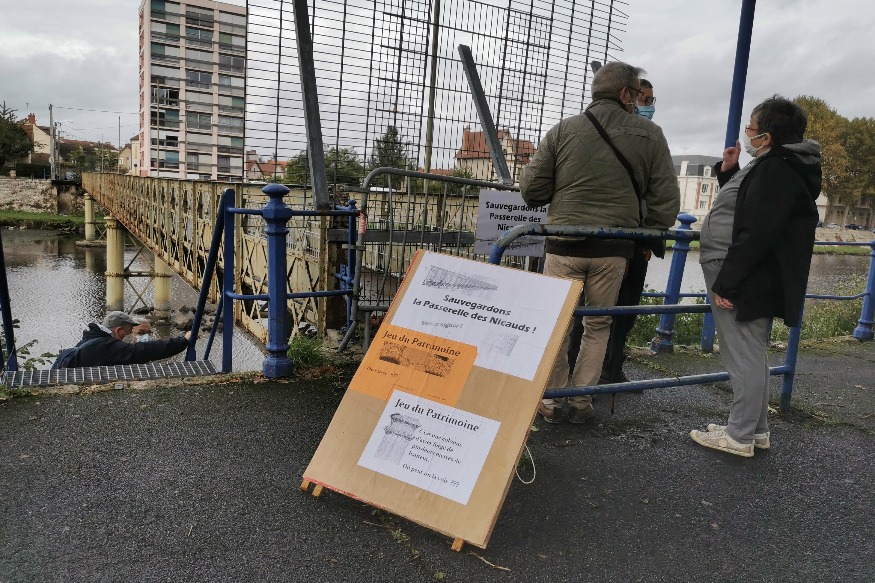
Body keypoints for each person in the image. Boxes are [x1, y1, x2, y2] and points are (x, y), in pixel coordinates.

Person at [520, 62, 680, 423]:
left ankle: (551, 402)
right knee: (598, 325)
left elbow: (532, 191)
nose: (639, 102)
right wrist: (646, 232)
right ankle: (581, 402)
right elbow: (666, 200)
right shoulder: (650, 135)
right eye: (637, 95)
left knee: (557, 325)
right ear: (625, 94)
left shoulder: (563, 130)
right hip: (613, 249)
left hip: (563, 245)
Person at [691, 95, 821, 457]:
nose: (746, 133)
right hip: (753, 272)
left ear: (766, 137)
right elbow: (749, 205)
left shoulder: (775, 169)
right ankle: (754, 429)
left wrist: (728, 282)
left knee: (742, 354)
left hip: (743, 273)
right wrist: (729, 172)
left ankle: (739, 435)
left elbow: (757, 231)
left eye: (751, 128)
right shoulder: (780, 165)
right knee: (751, 352)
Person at [72, 311, 192, 367]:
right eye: (128, 332)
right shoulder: (106, 346)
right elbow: (144, 351)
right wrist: (183, 340)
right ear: (119, 331)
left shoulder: (92, 339)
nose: (127, 337)